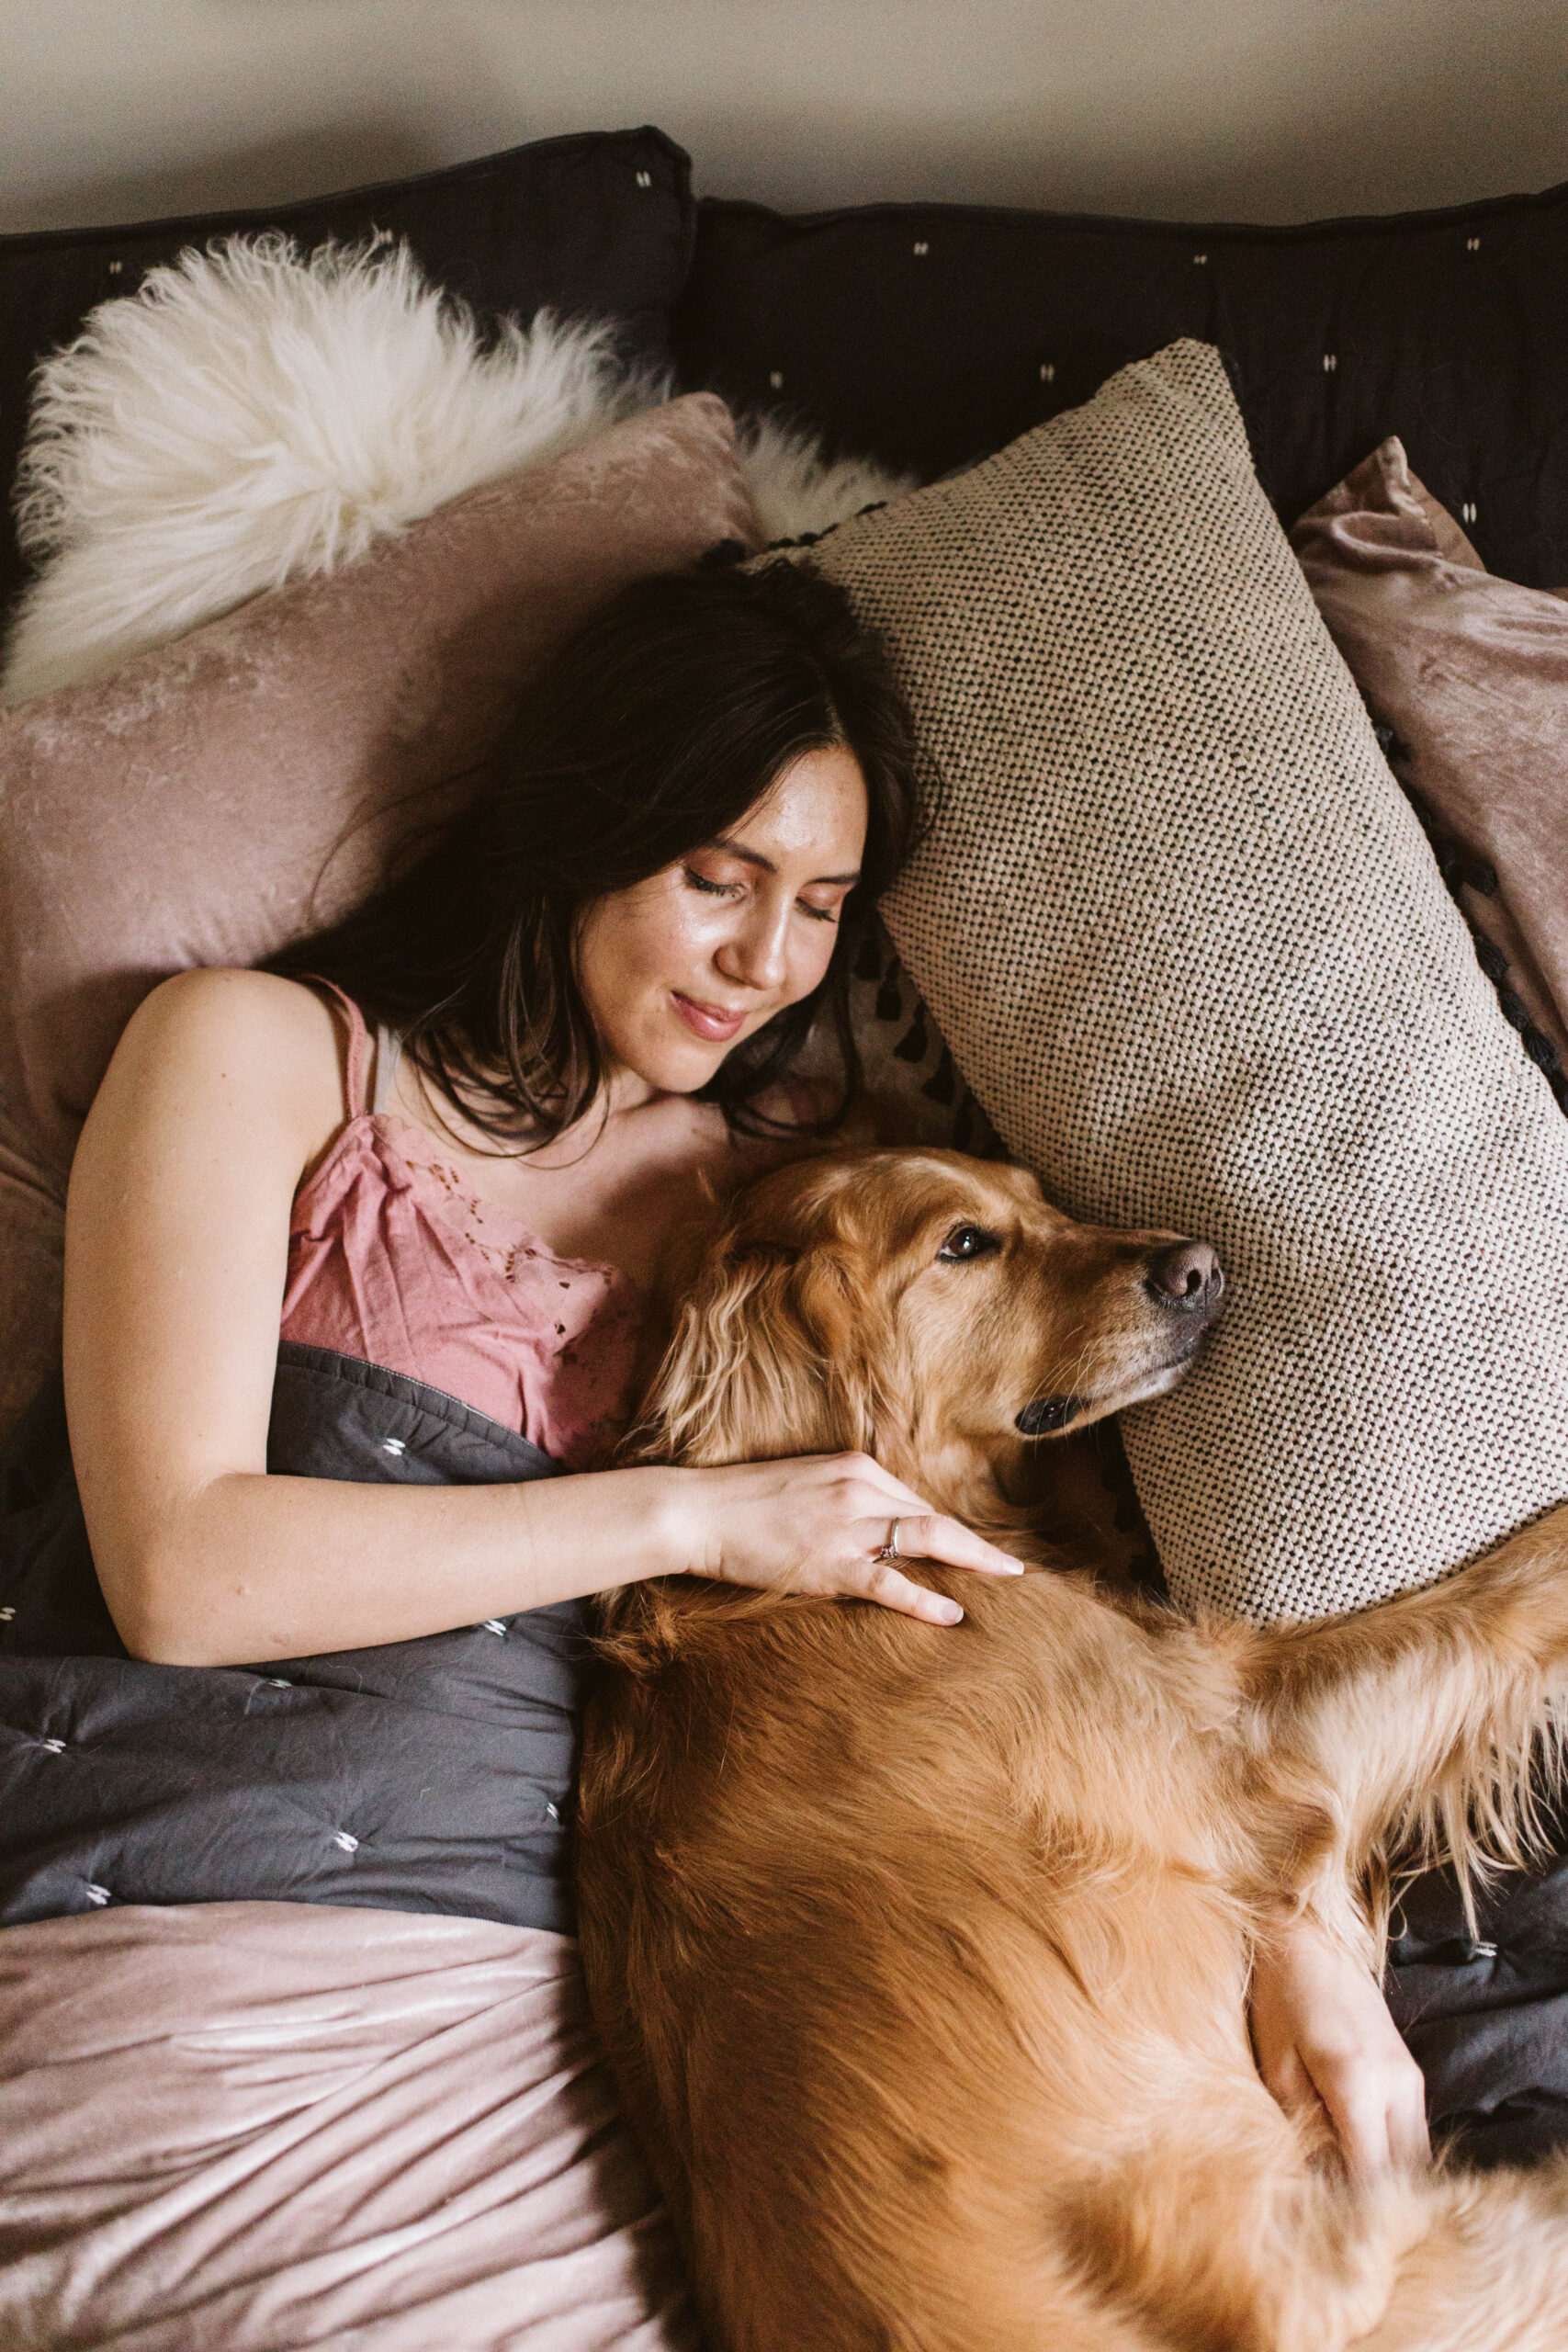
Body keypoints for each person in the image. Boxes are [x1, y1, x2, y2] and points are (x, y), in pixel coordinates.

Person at [60, 557, 1425, 2175]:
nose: (771, 962)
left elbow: (1031, 1638)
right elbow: (181, 1571)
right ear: (582, 823)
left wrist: (1307, 1933)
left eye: (824, 912)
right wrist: (691, 1519)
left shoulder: (812, 1208)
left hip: (605, 2022)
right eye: (721, 876)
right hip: (189, 1932)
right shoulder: (259, 1051)